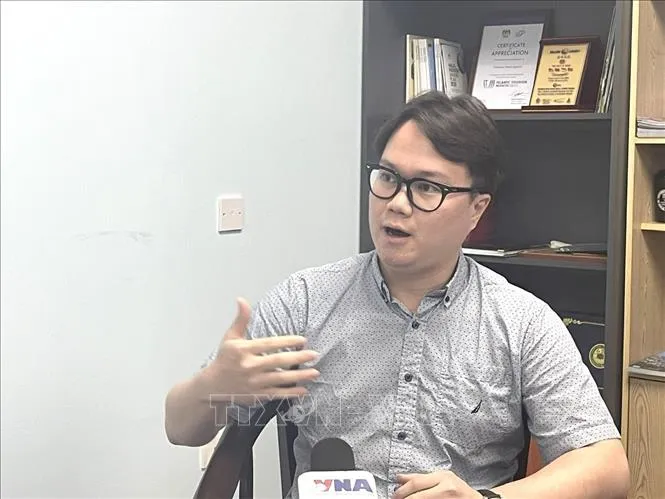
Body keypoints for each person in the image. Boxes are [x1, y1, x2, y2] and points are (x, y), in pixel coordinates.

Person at [164, 91, 630, 499]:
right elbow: (180, 427)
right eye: (387, 177)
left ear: (476, 209)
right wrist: (214, 383)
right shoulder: (305, 301)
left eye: (426, 187)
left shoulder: (521, 322)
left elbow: (607, 466)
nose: (397, 203)